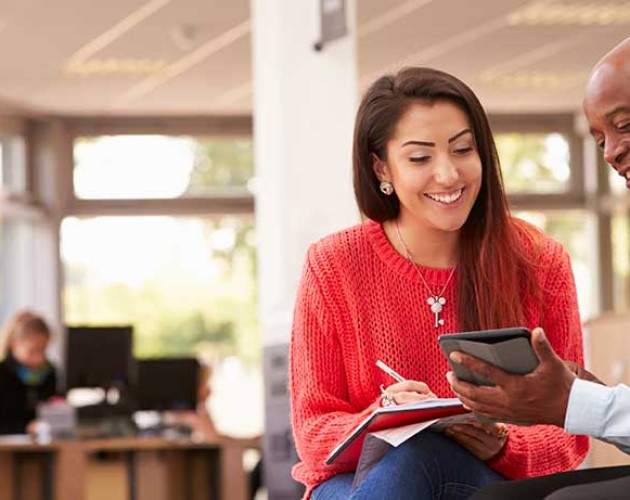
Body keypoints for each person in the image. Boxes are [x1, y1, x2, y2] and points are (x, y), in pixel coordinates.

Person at [289, 66, 588, 499]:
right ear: (381, 168)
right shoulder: (333, 264)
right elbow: (314, 436)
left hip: (490, 483)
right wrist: (385, 416)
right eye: (420, 158)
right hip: (356, 481)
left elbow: (571, 435)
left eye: (462, 149)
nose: (448, 175)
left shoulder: (539, 261)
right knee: (411, 455)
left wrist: (502, 442)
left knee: (425, 456)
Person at [447, 35, 630, 499]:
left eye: (624, 125)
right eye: (598, 139)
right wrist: (583, 398)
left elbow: (568, 446)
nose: (610, 152)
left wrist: (577, 402)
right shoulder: (334, 260)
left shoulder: (539, 256)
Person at [0, 310, 58, 435]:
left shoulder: (49, 372)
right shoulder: (3, 374)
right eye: (32, 351)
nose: (39, 358)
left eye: (43, 350)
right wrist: (26, 428)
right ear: (14, 344)